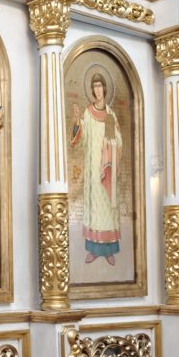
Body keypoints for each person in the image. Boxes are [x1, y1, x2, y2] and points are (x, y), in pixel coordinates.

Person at [71, 72, 122, 266]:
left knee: (107, 208)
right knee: (94, 207)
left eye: (100, 86)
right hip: (93, 168)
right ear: (92, 90)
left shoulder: (110, 115)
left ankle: (109, 251)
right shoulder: (88, 112)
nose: (98, 90)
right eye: (95, 86)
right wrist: (77, 121)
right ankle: (93, 250)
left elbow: (118, 140)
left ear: (105, 89)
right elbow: (81, 138)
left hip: (106, 168)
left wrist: (110, 147)